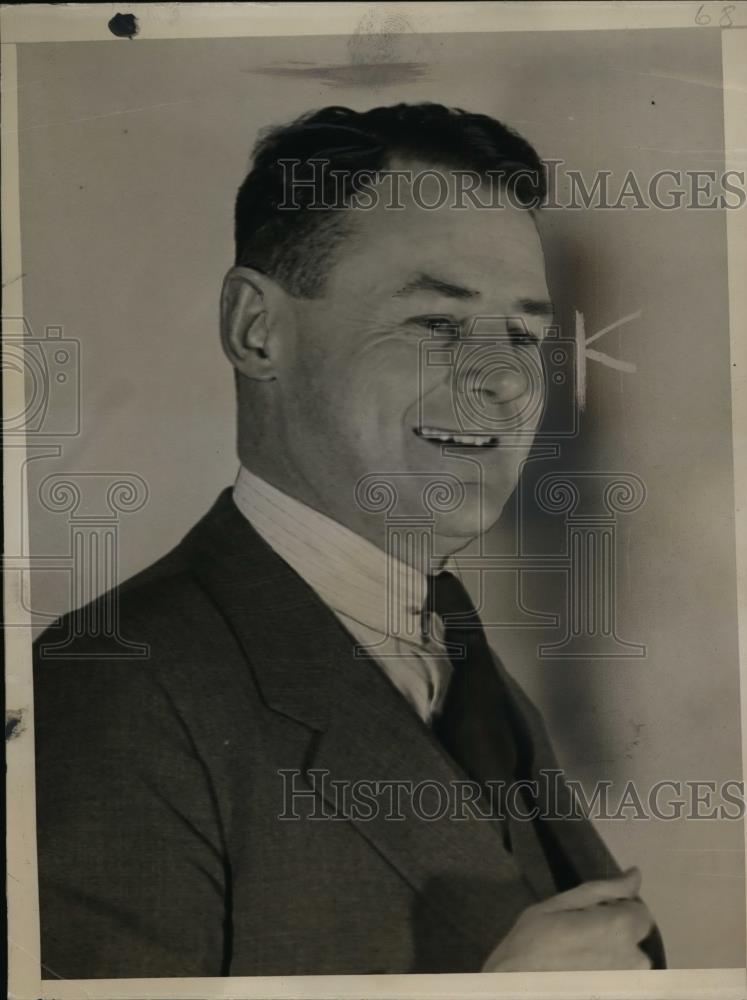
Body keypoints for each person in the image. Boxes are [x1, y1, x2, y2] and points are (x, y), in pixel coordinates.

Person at [34, 103, 664, 978]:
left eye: (525, 333)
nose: (503, 382)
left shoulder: (463, 660)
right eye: (436, 323)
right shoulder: (102, 692)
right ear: (257, 329)